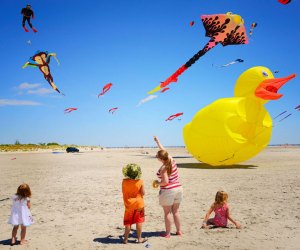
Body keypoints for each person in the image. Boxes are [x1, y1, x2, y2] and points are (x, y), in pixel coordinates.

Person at [153, 136, 183, 238]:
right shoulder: (171, 159)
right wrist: (158, 142)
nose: (156, 157)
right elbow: (164, 150)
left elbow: (165, 182)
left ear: (161, 159)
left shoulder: (164, 168)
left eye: (157, 156)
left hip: (169, 190)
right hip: (178, 189)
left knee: (167, 213)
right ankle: (179, 231)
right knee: (176, 211)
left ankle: (168, 233)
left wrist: (157, 183)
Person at [122, 163, 147, 244]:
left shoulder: (124, 182)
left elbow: (124, 191)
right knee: (138, 221)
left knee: (128, 222)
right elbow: (143, 193)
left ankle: (125, 239)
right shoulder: (140, 181)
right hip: (139, 204)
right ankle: (139, 238)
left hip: (129, 205)